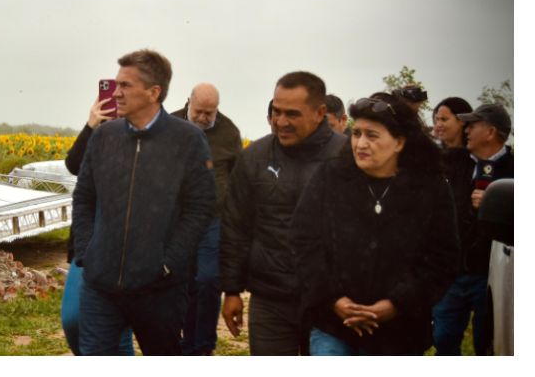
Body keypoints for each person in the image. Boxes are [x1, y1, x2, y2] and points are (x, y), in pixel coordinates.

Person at [72, 49, 215, 355]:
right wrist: (87, 251)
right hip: (101, 287)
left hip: (159, 291)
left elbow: (200, 206)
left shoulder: (187, 140)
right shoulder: (104, 136)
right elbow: (84, 197)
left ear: (154, 92)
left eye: (125, 86)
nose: (117, 92)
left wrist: (168, 264)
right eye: (116, 83)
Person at [290, 93, 458, 355]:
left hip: (401, 334)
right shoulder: (330, 178)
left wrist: (397, 304)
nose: (360, 143)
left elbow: (442, 258)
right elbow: (303, 242)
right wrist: (333, 299)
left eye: (372, 135)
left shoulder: (429, 188)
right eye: (356, 134)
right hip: (334, 326)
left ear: (399, 142)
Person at [220, 71, 345, 355]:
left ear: (320, 113)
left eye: (292, 114)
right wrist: (231, 289)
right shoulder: (254, 157)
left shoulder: (347, 159)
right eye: (276, 112)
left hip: (330, 302)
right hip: (270, 299)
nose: (281, 122)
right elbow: (236, 226)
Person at [432, 102, 514, 355]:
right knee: (442, 338)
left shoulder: (517, 168)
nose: (467, 130)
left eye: (473, 125)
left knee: (487, 343)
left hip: (495, 273)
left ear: (490, 132)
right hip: (455, 272)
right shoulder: (455, 162)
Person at [170, 83, 243, 355]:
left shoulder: (229, 132)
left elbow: (238, 177)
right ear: (188, 102)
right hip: (176, 220)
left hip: (212, 219)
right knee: (182, 281)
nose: (203, 117)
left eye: (209, 113)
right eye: (199, 111)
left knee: (209, 279)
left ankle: (202, 346)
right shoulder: (170, 125)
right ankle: (182, 343)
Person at [60, 94, 133, 355]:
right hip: (87, 244)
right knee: (73, 320)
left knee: (118, 330)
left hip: (126, 248)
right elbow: (73, 165)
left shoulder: (146, 137)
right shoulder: (99, 134)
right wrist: (92, 125)